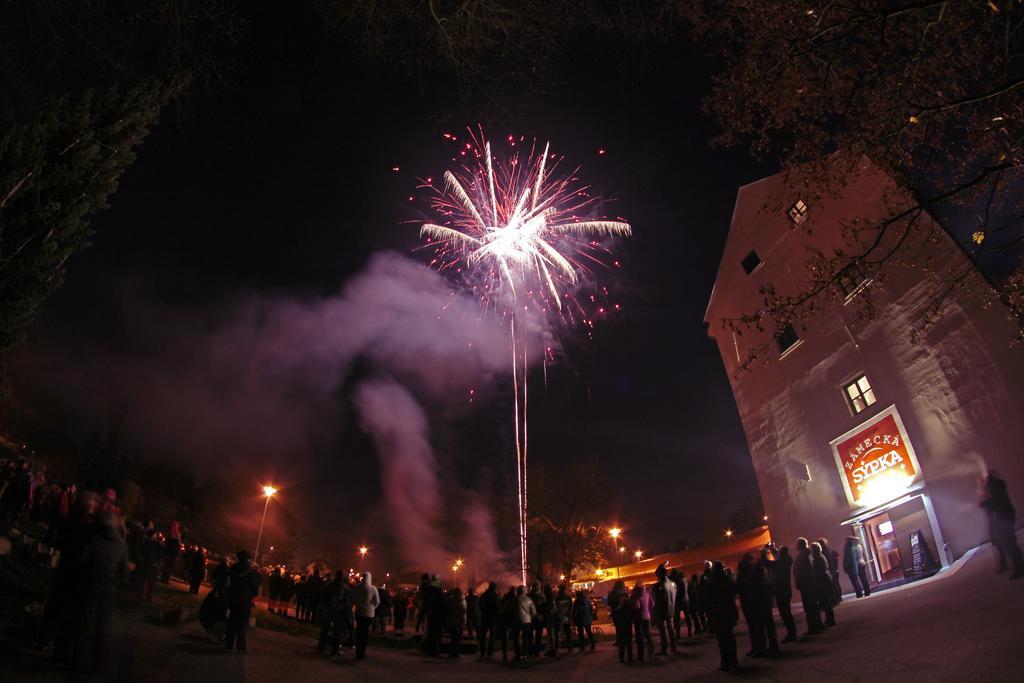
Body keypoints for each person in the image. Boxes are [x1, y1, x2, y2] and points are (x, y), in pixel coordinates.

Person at [73, 510, 129, 672]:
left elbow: (83, 560)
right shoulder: (121, 545)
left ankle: (78, 660)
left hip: (91, 584)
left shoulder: (95, 539)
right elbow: (124, 572)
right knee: (102, 625)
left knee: (85, 622)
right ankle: (97, 663)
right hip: (109, 587)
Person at [980, 471, 1024, 578]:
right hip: (1006, 514)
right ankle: (1019, 566)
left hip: (1003, 515)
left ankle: (1020, 568)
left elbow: (996, 502)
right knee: (1010, 543)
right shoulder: (997, 486)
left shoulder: (994, 488)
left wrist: (985, 503)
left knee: (1010, 543)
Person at [737, 551, 779, 658]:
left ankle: (762, 648)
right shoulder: (757, 569)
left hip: (757, 601)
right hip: (757, 601)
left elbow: (755, 586)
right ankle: (761, 647)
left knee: (759, 626)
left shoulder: (755, 570)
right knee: (759, 626)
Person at [225, 551, 260, 653]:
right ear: (248, 558)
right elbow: (255, 586)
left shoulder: (233, 568)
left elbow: (229, 582)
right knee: (243, 623)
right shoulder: (251, 570)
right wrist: (252, 595)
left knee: (232, 620)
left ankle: (229, 643)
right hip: (245, 599)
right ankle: (241, 646)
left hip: (233, 597)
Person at [707, 560, 739, 672]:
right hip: (729, 610)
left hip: (719, 613)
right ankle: (734, 661)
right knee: (730, 637)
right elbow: (734, 592)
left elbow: (709, 598)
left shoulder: (712, 582)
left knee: (722, 640)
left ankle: (725, 662)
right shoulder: (728, 579)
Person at [761, 545, 797, 642]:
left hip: (781, 591)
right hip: (785, 590)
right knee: (787, 613)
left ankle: (791, 633)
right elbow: (776, 558)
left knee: (785, 613)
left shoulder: (780, 562)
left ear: (782, 553)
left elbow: (767, 563)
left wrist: (763, 554)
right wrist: (772, 549)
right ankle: (792, 632)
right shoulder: (785, 561)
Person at [318, 571, 353, 656]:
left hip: (329, 609)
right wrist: (347, 611)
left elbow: (323, 596)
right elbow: (347, 602)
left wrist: (324, 607)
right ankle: (335, 650)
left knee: (325, 628)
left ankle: (322, 646)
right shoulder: (345, 588)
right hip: (338, 611)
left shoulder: (329, 585)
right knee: (337, 631)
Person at [794, 538, 823, 636]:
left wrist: (798, 582)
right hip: (810, 583)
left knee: (809, 606)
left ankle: (813, 628)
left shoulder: (801, 556)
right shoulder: (808, 554)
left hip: (806, 585)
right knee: (813, 605)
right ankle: (818, 625)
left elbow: (801, 571)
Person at [352, 571, 380, 660]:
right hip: (368, 614)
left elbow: (353, 598)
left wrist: (358, 604)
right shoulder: (373, 588)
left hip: (359, 612)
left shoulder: (357, 587)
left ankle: (358, 652)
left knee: (359, 632)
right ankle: (362, 652)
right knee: (365, 634)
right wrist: (372, 607)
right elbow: (377, 601)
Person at [651, 563, 678, 655]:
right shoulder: (673, 584)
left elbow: (655, 600)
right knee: (670, 629)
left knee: (663, 630)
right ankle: (673, 647)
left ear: (659, 575)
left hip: (662, 610)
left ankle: (664, 649)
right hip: (671, 609)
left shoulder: (658, 586)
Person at [810, 542, 836, 628]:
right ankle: (829, 619)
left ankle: (830, 620)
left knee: (825, 602)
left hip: (822, 583)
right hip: (825, 582)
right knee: (826, 602)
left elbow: (819, 572)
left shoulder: (817, 558)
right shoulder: (820, 556)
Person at [608, 580, 633, 663]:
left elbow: (609, 602)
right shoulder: (626, 593)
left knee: (620, 635)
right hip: (628, 617)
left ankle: (622, 657)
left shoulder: (613, 593)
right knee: (628, 637)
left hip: (618, 616)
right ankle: (630, 656)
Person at [630, 581, 654, 661]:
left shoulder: (635, 596)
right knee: (648, 635)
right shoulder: (647, 594)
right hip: (647, 616)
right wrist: (648, 610)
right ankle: (651, 653)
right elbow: (652, 604)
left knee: (640, 638)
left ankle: (641, 656)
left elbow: (637, 606)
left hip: (638, 618)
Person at [514, 585, 537, 662]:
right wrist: (530, 617)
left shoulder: (515, 599)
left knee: (517, 638)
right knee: (525, 638)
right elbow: (533, 612)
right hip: (527, 621)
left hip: (518, 621)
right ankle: (525, 654)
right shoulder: (529, 600)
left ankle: (518, 654)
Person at [478, 582, 499, 659]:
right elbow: (497, 606)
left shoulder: (483, 595)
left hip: (484, 616)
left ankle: (482, 652)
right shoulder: (495, 596)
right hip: (492, 617)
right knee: (492, 635)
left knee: (483, 635)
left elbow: (479, 604)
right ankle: (490, 652)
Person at [551, 583, 573, 654]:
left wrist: (560, 614)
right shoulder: (568, 597)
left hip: (560, 617)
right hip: (566, 617)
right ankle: (570, 648)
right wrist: (568, 615)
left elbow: (556, 608)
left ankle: (556, 649)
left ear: (559, 589)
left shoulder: (557, 598)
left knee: (557, 633)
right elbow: (570, 607)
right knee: (568, 633)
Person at [446, 586, 467, 658]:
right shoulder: (462, 600)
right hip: (459, 622)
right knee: (457, 639)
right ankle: (456, 653)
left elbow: (447, 611)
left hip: (452, 622)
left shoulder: (451, 601)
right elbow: (464, 611)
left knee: (453, 639)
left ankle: (453, 653)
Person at [498, 586, 518, 661]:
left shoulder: (505, 598)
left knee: (505, 639)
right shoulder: (515, 599)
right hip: (512, 620)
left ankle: (504, 655)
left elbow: (500, 606)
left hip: (505, 619)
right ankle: (516, 654)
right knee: (515, 638)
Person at [669, 567, 690, 639]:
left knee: (677, 618)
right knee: (687, 616)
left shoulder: (677, 581)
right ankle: (689, 632)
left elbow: (680, 592)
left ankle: (678, 634)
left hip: (678, 601)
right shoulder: (684, 580)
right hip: (685, 600)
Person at [527, 581, 546, 656]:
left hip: (532, 618)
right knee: (538, 635)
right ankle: (536, 651)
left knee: (530, 635)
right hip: (538, 618)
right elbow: (544, 606)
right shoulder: (542, 596)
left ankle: (531, 651)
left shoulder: (529, 595)